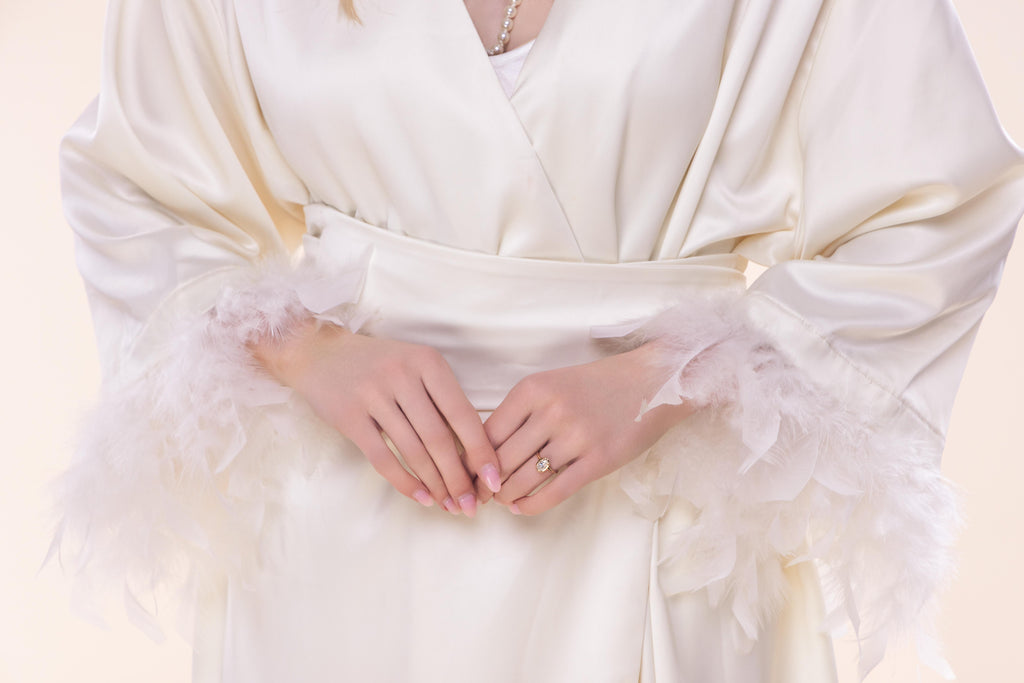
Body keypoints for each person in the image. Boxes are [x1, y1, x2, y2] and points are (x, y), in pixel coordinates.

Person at [52, 0, 1024, 681]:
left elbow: (939, 203)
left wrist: (668, 373)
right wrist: (308, 351)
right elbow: (134, 178)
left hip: (655, 524)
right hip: (339, 528)